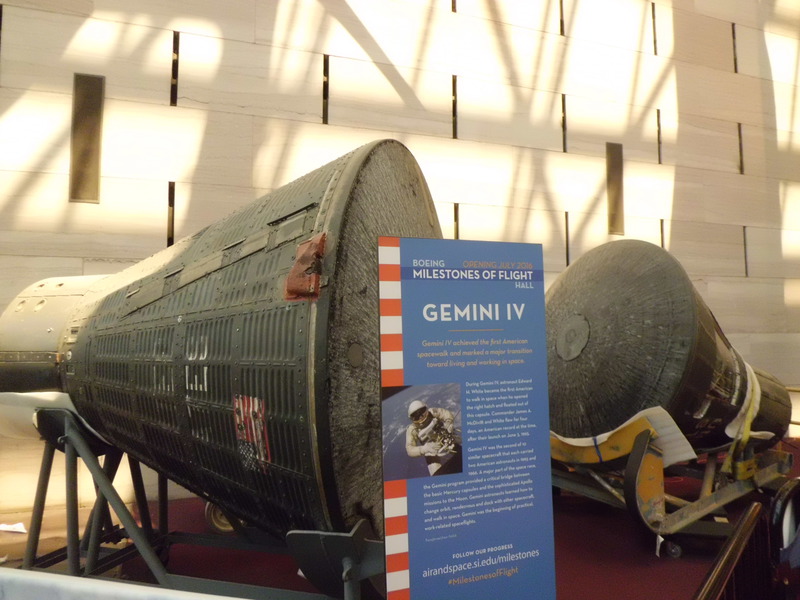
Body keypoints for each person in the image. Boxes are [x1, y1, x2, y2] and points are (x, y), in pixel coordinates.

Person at [405, 400, 462, 476]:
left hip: (444, 438)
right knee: (436, 475)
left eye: (422, 412)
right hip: (430, 450)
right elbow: (409, 449)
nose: (421, 417)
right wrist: (424, 449)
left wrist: (448, 423)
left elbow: (445, 414)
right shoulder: (412, 429)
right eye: (416, 416)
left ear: (426, 409)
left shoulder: (432, 412)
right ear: (412, 419)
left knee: (462, 453)